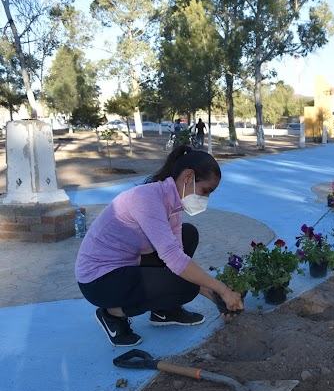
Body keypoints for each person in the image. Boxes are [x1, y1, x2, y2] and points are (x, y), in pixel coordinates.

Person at [75, 146, 244, 347]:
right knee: (185, 286)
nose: (206, 198)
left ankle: (164, 311)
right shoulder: (147, 199)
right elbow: (173, 259)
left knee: (188, 234)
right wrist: (222, 289)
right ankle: (112, 314)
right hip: (99, 280)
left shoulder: (172, 204)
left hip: (126, 265)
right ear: (188, 176)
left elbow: (178, 257)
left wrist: (215, 297)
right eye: (205, 191)